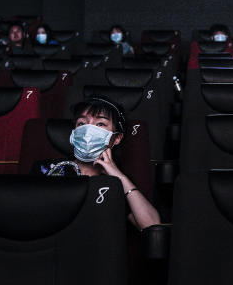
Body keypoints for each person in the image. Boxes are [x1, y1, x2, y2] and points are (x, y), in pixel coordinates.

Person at [30, 97, 160, 230]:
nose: (88, 131)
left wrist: (120, 178)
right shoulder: (45, 169)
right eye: (82, 123)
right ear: (74, 133)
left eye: (100, 124)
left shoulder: (117, 183)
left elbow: (152, 225)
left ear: (116, 138)